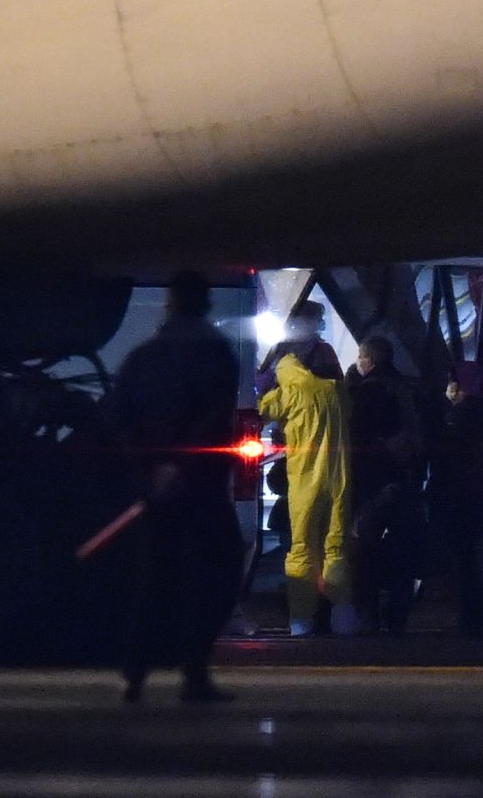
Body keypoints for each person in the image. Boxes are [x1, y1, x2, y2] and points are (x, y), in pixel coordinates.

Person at [111, 271, 243, 703]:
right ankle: (194, 671)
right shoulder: (215, 354)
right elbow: (215, 415)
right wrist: (183, 463)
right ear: (204, 303)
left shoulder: (142, 358)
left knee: (153, 578)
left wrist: (147, 472)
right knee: (215, 574)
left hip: (153, 488)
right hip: (202, 484)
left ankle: (134, 674)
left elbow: (122, 420)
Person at [259, 353, 354, 636]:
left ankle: (301, 620)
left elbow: (259, 411)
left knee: (302, 549)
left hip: (304, 483)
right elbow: (348, 410)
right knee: (335, 547)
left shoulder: (288, 392)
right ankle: (344, 616)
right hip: (339, 479)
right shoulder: (336, 390)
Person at [345, 336, 425, 634]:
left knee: (366, 549)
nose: (358, 361)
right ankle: (397, 614)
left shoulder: (368, 392)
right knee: (401, 551)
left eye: (361, 357)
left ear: (370, 360)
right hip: (404, 480)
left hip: (374, 483)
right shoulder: (405, 388)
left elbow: (358, 436)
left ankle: (367, 612)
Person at [427, 361, 483, 636]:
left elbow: (445, 453)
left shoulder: (460, 416)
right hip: (477, 495)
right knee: (471, 559)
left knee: (463, 559)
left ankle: (471, 620)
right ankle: (475, 618)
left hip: (458, 496)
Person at [256, 300, 343, 393]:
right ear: (306, 321)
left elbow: (264, 385)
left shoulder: (279, 348)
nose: (322, 323)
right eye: (319, 319)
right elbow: (338, 385)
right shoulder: (325, 350)